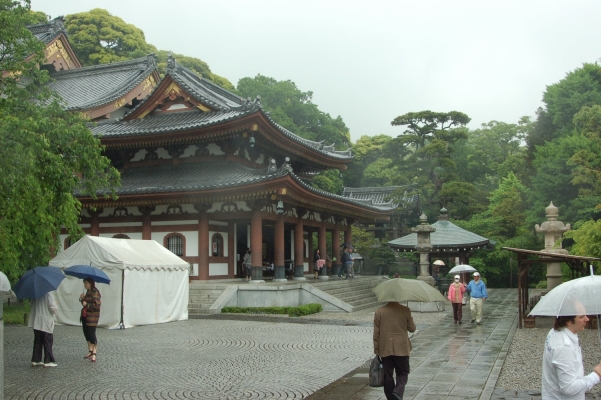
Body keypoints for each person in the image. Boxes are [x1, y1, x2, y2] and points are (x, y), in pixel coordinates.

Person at [542, 311, 601, 399]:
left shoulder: (554, 332)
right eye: (581, 317)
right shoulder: (564, 347)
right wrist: (596, 375)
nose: (587, 319)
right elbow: (568, 388)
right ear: (569, 321)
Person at [373, 301, 416, 400]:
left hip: (385, 348)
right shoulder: (405, 310)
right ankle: (397, 392)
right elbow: (412, 328)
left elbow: (376, 333)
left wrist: (377, 350)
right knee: (403, 373)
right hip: (402, 348)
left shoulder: (379, 311)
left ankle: (391, 397)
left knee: (387, 375)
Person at [29, 292, 58, 367]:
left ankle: (36, 359)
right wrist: (55, 304)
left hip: (36, 321)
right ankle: (47, 361)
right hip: (45, 321)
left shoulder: (34, 295)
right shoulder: (49, 295)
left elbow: (31, 305)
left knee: (37, 341)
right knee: (47, 341)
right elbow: (53, 309)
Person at [80, 278, 101, 363]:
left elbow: (96, 306)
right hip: (85, 316)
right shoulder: (88, 292)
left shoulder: (95, 292)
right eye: (84, 283)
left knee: (92, 335)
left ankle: (94, 354)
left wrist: (86, 304)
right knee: (86, 334)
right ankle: (90, 351)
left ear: (90, 283)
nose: (85, 285)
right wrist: (82, 299)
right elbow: (84, 303)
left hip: (92, 318)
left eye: (86, 283)